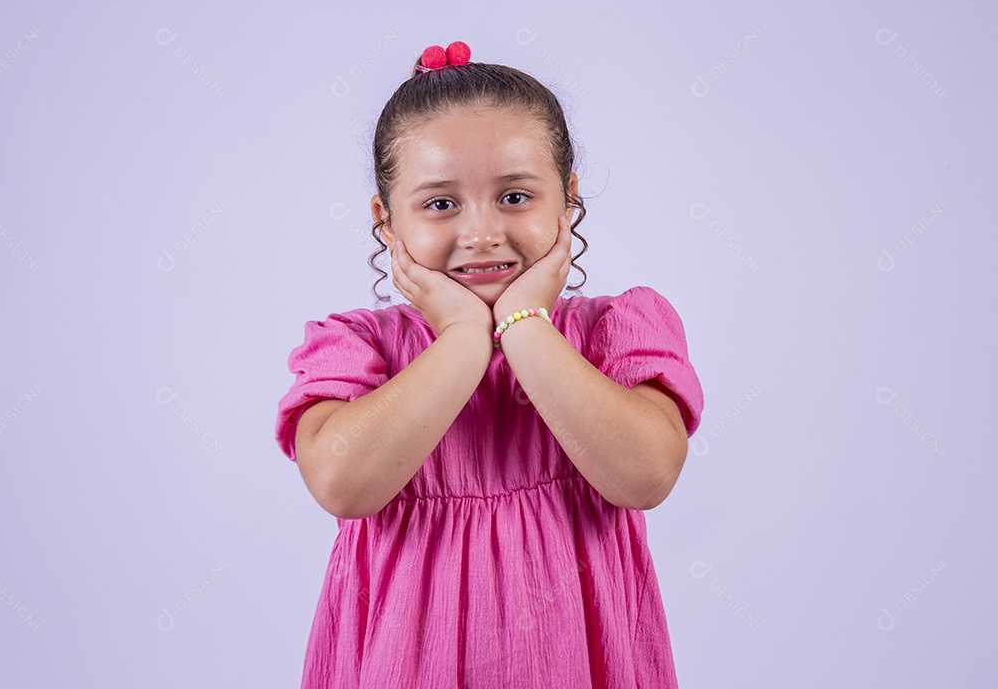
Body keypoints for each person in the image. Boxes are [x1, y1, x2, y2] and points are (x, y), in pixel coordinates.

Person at [275, 40, 704, 688]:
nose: (481, 233)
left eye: (514, 197)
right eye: (441, 204)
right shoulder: (359, 349)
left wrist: (524, 323)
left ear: (568, 199)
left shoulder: (616, 331)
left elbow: (644, 475)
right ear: (386, 222)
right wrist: (462, 339)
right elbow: (343, 485)